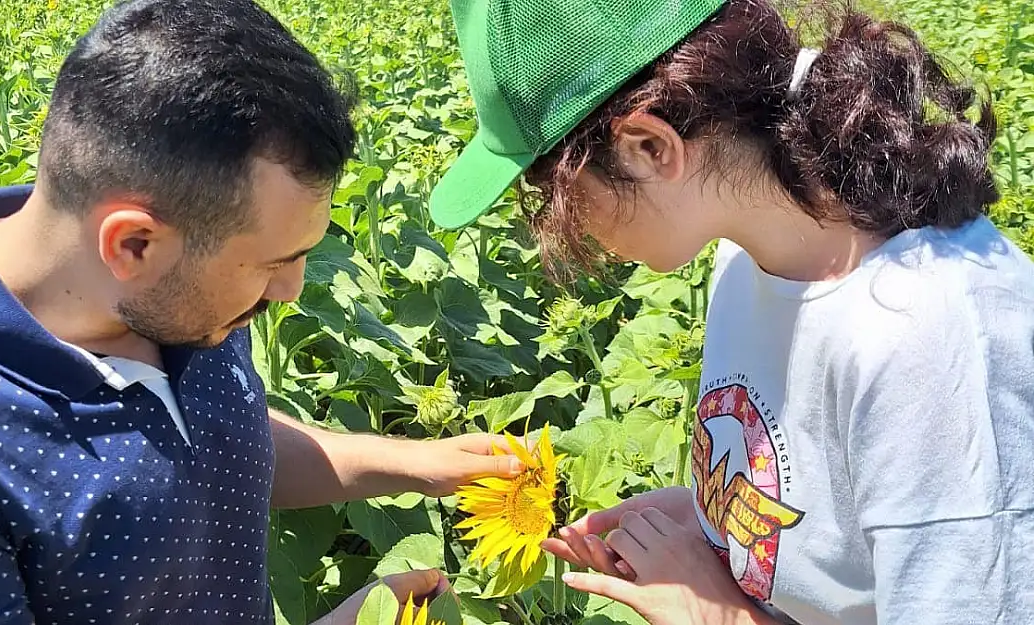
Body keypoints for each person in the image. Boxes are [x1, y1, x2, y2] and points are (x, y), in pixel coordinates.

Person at [429, 0, 1034, 623]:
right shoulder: (752, 254)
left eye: (552, 189)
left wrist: (715, 615)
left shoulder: (930, 340)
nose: (555, 225)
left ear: (650, 147)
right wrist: (714, 519)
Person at [0, 1, 525, 623]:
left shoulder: (178, 296)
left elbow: (214, 439)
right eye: (273, 263)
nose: (290, 290)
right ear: (134, 244)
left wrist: (416, 466)